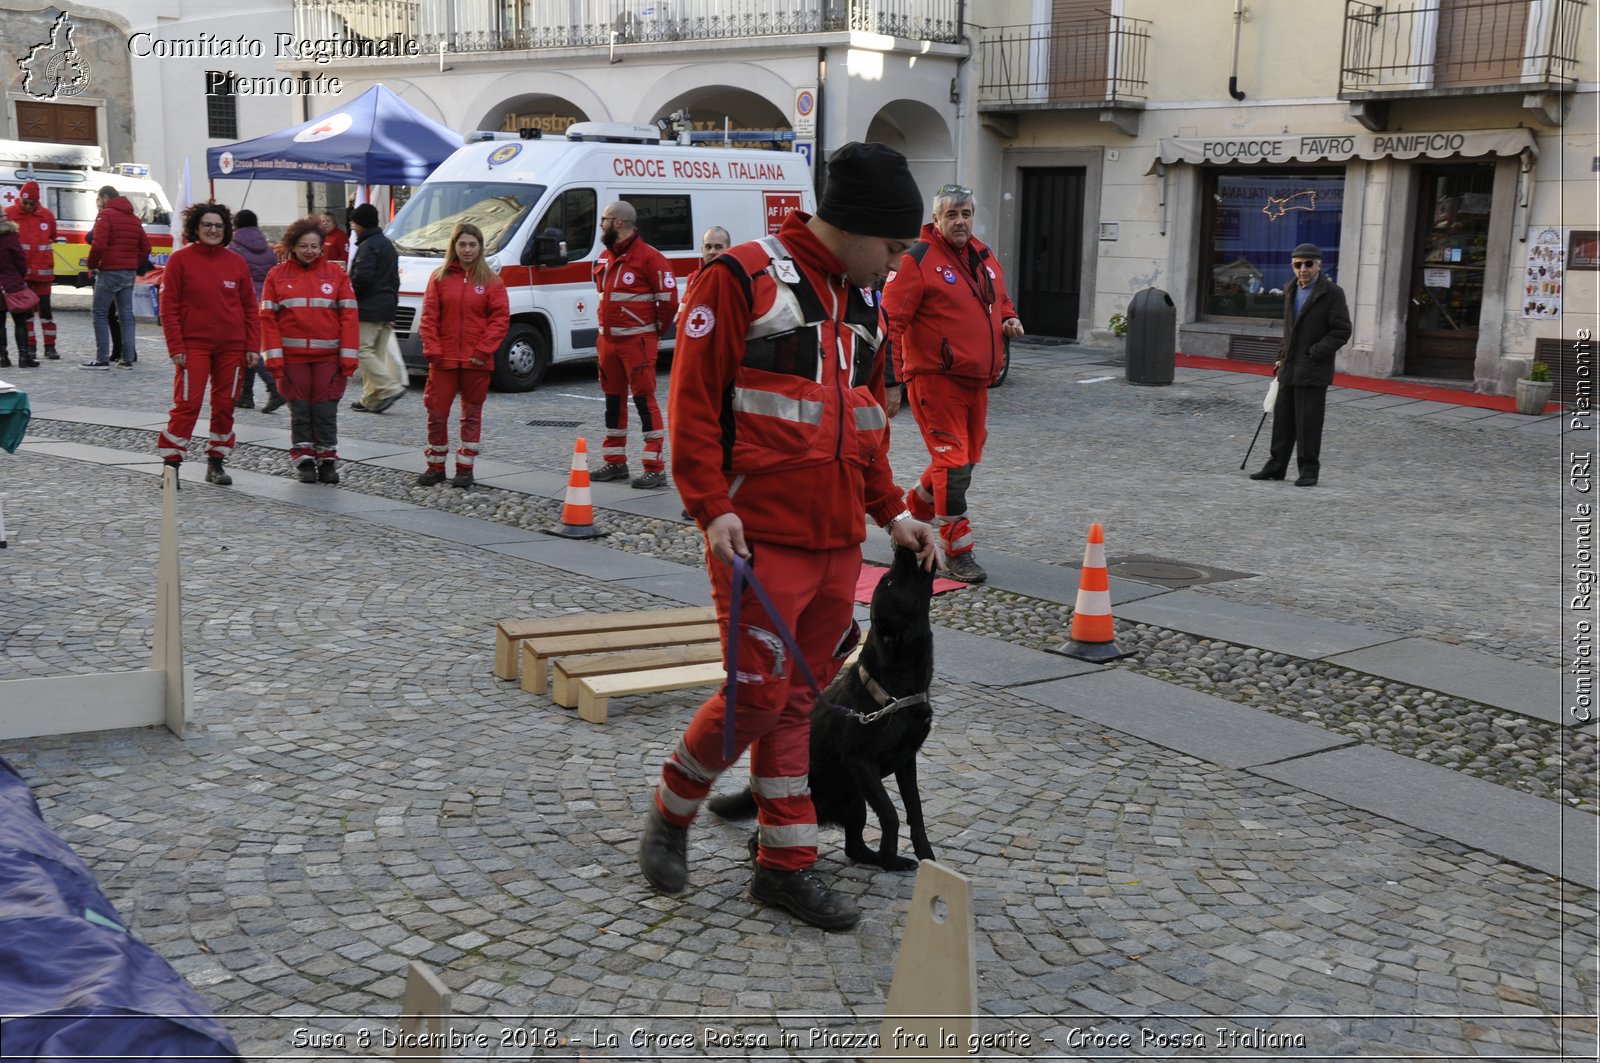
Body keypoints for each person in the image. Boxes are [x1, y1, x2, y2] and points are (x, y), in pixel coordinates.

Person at [638, 142, 939, 931]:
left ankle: (785, 866)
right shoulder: (740, 276)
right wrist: (710, 505)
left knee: (799, 702)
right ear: (857, 226)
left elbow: (867, 428)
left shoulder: (865, 304)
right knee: (757, 696)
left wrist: (893, 512)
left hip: (838, 544)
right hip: (756, 540)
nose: (899, 262)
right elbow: (693, 406)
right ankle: (673, 809)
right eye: (895, 245)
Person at [881, 183, 1024, 584]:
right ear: (937, 218)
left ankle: (908, 518)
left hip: (977, 382)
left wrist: (1008, 319)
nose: (960, 221)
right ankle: (958, 550)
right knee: (953, 463)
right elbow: (891, 323)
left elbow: (1000, 299)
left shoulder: (982, 253)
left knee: (964, 460)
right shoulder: (917, 257)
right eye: (951, 215)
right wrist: (891, 382)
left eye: (966, 214)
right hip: (933, 380)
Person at [156, 204, 261, 486]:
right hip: (193, 346)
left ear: (226, 230)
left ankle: (216, 463)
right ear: (196, 228)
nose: (213, 230)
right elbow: (168, 307)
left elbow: (250, 307)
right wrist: (176, 346)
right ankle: (171, 466)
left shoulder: (236, 262)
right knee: (187, 404)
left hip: (232, 347)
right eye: (207, 225)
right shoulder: (179, 260)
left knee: (225, 405)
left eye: (219, 225)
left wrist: (252, 345)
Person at [259, 217, 359, 484]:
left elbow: (349, 317)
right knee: (300, 409)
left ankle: (327, 459)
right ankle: (304, 458)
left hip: (328, 358)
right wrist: (274, 360)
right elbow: (268, 321)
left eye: (315, 246)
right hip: (293, 359)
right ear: (293, 246)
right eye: (304, 246)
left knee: (326, 410)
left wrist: (348, 358)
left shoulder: (337, 275)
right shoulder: (276, 276)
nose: (310, 251)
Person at [1249, 242, 1351, 488]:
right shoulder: (1291, 288)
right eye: (1298, 264)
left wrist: (1315, 352)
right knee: (1283, 419)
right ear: (1292, 266)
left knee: (1309, 422)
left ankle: (1308, 471)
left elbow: (1342, 330)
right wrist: (1281, 354)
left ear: (1319, 265)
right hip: (1289, 365)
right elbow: (1290, 330)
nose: (1303, 269)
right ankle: (1276, 466)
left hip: (1313, 368)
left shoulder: (1332, 293)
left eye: (1308, 264)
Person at [591, 200, 677, 489]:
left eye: (603, 220)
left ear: (617, 223)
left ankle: (655, 467)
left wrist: (652, 333)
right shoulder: (604, 257)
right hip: (609, 342)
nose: (600, 225)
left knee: (644, 401)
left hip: (637, 342)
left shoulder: (649, 258)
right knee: (613, 402)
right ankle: (615, 462)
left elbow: (668, 302)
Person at [417, 222, 509, 489]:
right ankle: (435, 466)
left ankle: (465, 469)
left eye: (472, 244)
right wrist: (432, 350)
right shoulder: (439, 277)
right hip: (443, 361)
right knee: (436, 413)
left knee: (471, 414)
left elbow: (499, 319)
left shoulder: (492, 282)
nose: (467, 250)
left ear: (480, 247)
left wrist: (482, 350)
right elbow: (429, 317)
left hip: (476, 361)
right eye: (462, 244)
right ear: (454, 246)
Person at [347, 202, 407, 415]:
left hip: (369, 307)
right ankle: (370, 400)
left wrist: (349, 294)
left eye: (353, 222)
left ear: (361, 223)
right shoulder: (387, 244)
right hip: (386, 305)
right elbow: (394, 280)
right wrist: (393, 309)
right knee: (376, 354)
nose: (352, 226)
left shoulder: (368, 246)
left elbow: (362, 278)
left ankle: (389, 387)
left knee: (362, 350)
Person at [82, 185, 151, 370]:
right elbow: (146, 247)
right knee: (126, 315)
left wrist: (91, 265)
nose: (98, 204)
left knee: (99, 313)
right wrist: (132, 263)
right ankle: (127, 358)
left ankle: (102, 359)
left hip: (109, 271)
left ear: (105, 197)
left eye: (98, 199)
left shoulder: (105, 215)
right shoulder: (133, 218)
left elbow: (98, 245)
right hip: (128, 272)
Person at [228, 209, 285, 413]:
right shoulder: (268, 249)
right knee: (250, 345)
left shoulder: (233, 249)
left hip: (244, 301)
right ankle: (246, 395)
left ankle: (274, 388)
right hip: (266, 300)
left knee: (249, 348)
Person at [3, 180, 59, 360]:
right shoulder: (9, 214)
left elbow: (52, 236)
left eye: (31, 203)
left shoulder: (47, 215)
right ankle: (30, 347)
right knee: (25, 313)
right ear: (20, 199)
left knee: (46, 312)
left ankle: (50, 347)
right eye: (25, 202)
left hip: (43, 274)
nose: (28, 206)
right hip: (21, 276)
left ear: (37, 201)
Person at [0, 218, 35, 369]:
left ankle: (3, 357)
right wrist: (19, 276)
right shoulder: (10, 236)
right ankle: (23, 357)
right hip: (12, 283)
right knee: (20, 321)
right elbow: (20, 260)